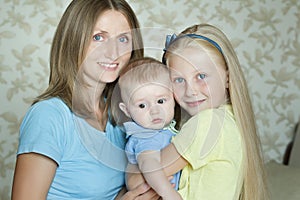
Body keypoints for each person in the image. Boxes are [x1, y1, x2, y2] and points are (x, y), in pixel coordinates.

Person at [11, 0, 159, 199]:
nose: (114, 53)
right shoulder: (48, 116)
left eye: (123, 39)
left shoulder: (125, 115)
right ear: (73, 41)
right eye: (98, 37)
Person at [127, 23, 269, 200]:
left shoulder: (208, 123)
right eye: (179, 79)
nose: (190, 91)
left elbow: (137, 182)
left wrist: (132, 170)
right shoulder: (229, 119)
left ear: (227, 76)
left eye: (201, 76)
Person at [113, 57, 182, 200]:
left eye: (161, 101)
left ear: (173, 97)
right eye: (142, 105)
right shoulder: (145, 135)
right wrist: (169, 194)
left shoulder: (164, 130)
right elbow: (149, 164)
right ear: (126, 110)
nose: (154, 111)